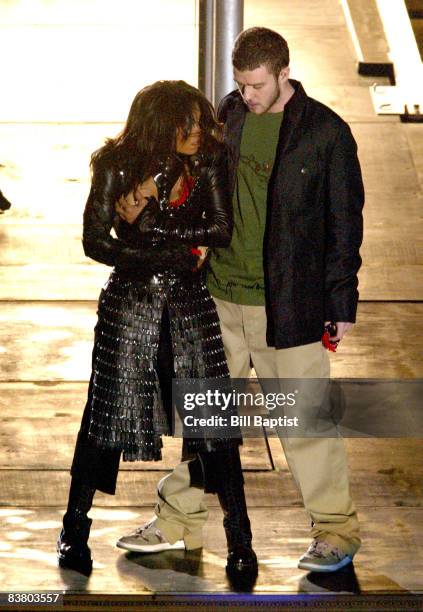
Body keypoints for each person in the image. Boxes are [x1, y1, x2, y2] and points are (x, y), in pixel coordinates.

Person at [117, 28, 364, 574]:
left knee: (305, 423)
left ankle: (336, 532)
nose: (248, 95)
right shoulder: (226, 117)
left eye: (256, 85)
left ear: (282, 74)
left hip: (288, 307)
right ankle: (179, 522)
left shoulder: (325, 133)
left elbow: (345, 223)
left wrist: (341, 302)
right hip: (219, 298)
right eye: (241, 84)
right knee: (204, 420)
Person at [57, 80, 258, 583]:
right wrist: (153, 252)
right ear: (161, 124)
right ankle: (73, 529)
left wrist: (158, 229)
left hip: (189, 307)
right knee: (104, 418)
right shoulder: (115, 163)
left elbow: (220, 229)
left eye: (199, 121)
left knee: (213, 423)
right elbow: (93, 239)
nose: (197, 131)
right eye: (187, 123)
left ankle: (241, 540)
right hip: (131, 305)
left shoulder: (207, 161)